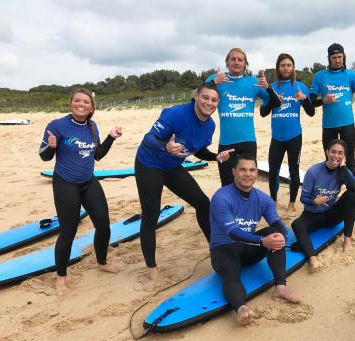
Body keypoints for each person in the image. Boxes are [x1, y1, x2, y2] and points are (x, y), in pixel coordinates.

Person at [135, 82, 233, 279]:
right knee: (151, 214)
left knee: (204, 204)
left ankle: (215, 248)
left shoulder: (210, 126)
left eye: (214, 100)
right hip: (149, 164)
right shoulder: (175, 114)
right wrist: (166, 147)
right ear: (196, 96)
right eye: (205, 97)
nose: (209, 103)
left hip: (172, 167)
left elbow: (199, 150)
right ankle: (152, 267)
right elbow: (148, 139)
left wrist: (215, 157)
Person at [39, 88, 123, 291]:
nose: (81, 104)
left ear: (91, 107)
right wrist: (51, 146)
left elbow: (97, 155)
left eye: (86, 102)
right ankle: (61, 277)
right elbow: (44, 156)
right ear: (71, 103)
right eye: (77, 100)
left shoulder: (92, 126)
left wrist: (111, 137)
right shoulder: (57, 126)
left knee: (103, 225)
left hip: (88, 181)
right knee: (68, 230)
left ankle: (102, 262)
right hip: (65, 183)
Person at [210, 154, 299, 325]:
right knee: (232, 274)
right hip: (223, 250)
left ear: (257, 173)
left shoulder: (263, 199)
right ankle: (241, 308)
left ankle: (280, 286)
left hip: (247, 249)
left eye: (252, 170)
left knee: (274, 232)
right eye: (243, 169)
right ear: (234, 172)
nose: (247, 174)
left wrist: (281, 236)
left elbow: (278, 223)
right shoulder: (221, 197)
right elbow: (233, 232)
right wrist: (262, 242)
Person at [206, 48, 281, 185]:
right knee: (227, 184)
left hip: (248, 142)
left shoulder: (253, 82)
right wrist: (214, 83)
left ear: (245, 64)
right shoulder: (216, 80)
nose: (236, 62)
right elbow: (198, 97)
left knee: (247, 182)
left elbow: (276, 103)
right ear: (227, 63)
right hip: (226, 142)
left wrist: (268, 87)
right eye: (233, 59)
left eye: (240, 60)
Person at [291, 139, 355, 271]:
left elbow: (354, 187)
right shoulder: (313, 171)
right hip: (312, 216)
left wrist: (343, 167)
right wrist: (314, 201)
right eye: (333, 152)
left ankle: (347, 240)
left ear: (344, 156)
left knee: (352, 195)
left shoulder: (342, 171)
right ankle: (312, 258)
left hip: (330, 215)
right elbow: (303, 198)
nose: (336, 156)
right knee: (296, 225)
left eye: (340, 153)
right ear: (327, 152)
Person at [260, 53, 315, 214]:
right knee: (273, 171)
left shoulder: (300, 86)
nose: (286, 68)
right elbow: (263, 112)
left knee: (294, 171)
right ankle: (273, 201)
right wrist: (273, 99)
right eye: (283, 65)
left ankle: (291, 203)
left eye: (288, 65)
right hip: (277, 137)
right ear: (278, 67)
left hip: (294, 136)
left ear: (293, 67)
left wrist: (304, 99)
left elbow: (311, 112)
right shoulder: (271, 87)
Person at [309, 43, 355, 178]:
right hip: (328, 126)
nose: (337, 60)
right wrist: (324, 100)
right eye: (334, 57)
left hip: (347, 124)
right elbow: (310, 102)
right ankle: (330, 191)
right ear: (329, 58)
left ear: (344, 57)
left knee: (350, 159)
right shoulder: (320, 76)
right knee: (330, 160)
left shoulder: (351, 75)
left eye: (340, 57)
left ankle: (352, 193)